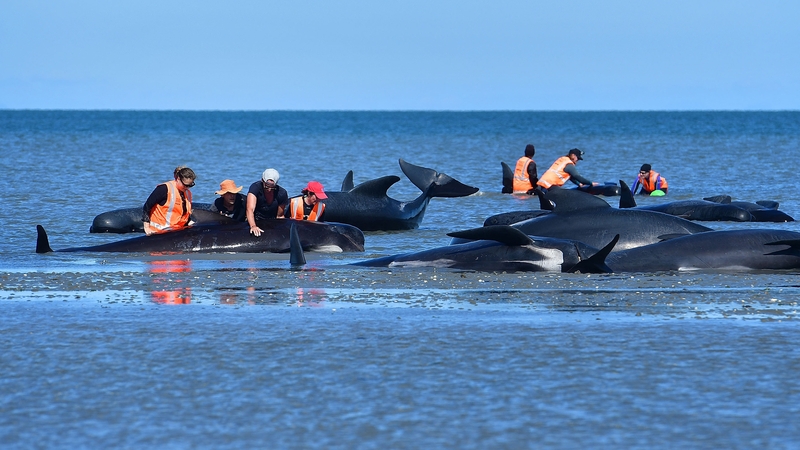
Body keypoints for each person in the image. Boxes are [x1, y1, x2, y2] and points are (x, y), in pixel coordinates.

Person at [142, 166, 196, 235]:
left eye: (190, 185)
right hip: (159, 232)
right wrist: (146, 227)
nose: (187, 188)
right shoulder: (164, 189)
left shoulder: (188, 193)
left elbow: (183, 214)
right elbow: (147, 206)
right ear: (178, 179)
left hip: (176, 232)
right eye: (185, 185)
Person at [246, 168, 289, 237]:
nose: (269, 190)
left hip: (271, 221)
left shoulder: (282, 193)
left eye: (272, 188)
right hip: (256, 219)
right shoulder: (255, 187)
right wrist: (253, 226)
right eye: (266, 187)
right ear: (262, 181)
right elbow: (250, 209)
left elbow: (280, 216)